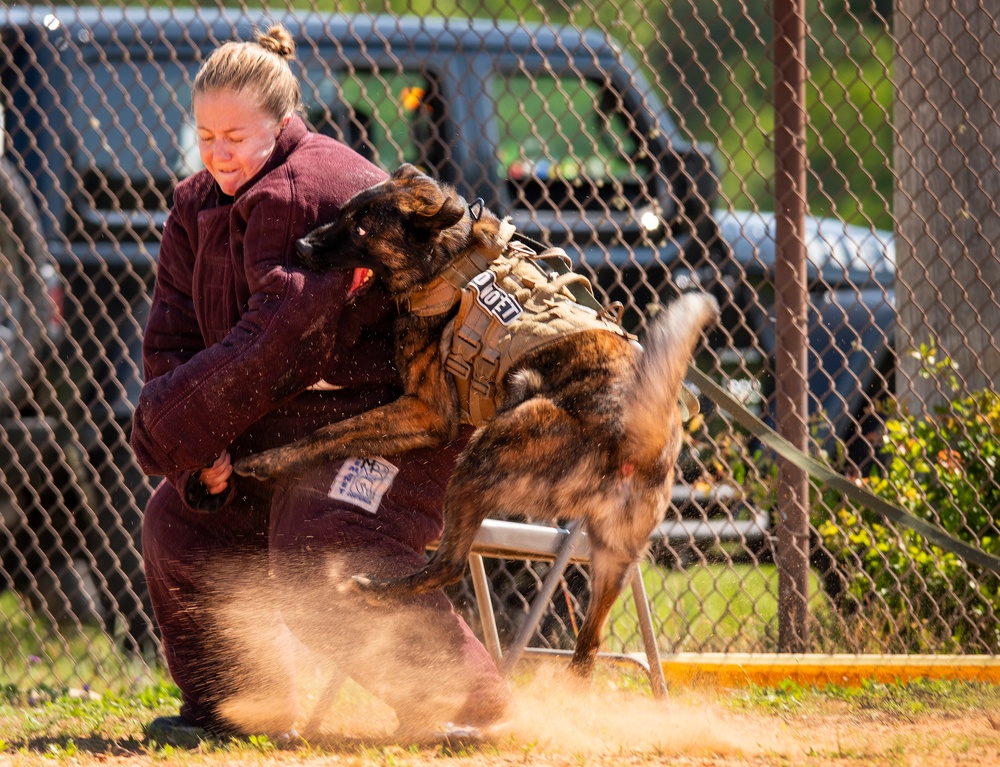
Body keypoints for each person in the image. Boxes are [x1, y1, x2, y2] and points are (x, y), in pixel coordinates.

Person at [130, 24, 510, 745]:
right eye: (205, 135)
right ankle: (241, 710)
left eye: (235, 135)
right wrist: (193, 456)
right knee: (179, 523)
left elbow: (276, 348)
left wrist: (166, 429)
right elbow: (171, 343)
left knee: (324, 537)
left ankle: (468, 703)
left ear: (279, 121)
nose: (219, 152)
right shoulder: (191, 204)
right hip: (297, 426)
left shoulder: (311, 190)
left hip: (405, 423)